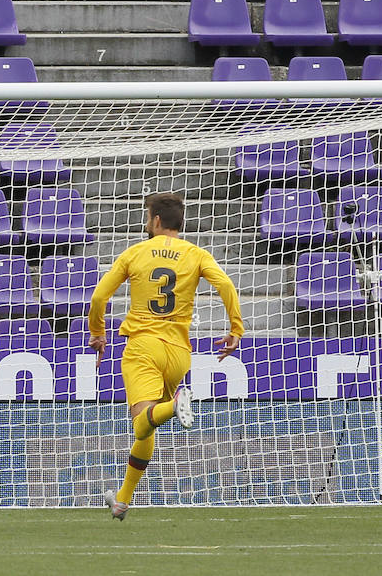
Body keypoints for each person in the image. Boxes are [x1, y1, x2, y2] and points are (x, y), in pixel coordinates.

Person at [87, 192, 244, 520]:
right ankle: (122, 500)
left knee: (142, 422)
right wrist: (235, 329)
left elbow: (100, 296)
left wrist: (98, 333)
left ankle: (175, 407)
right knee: (146, 428)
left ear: (156, 221)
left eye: (148, 217)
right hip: (178, 353)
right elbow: (226, 285)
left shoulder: (135, 253)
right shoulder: (196, 254)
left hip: (144, 347)